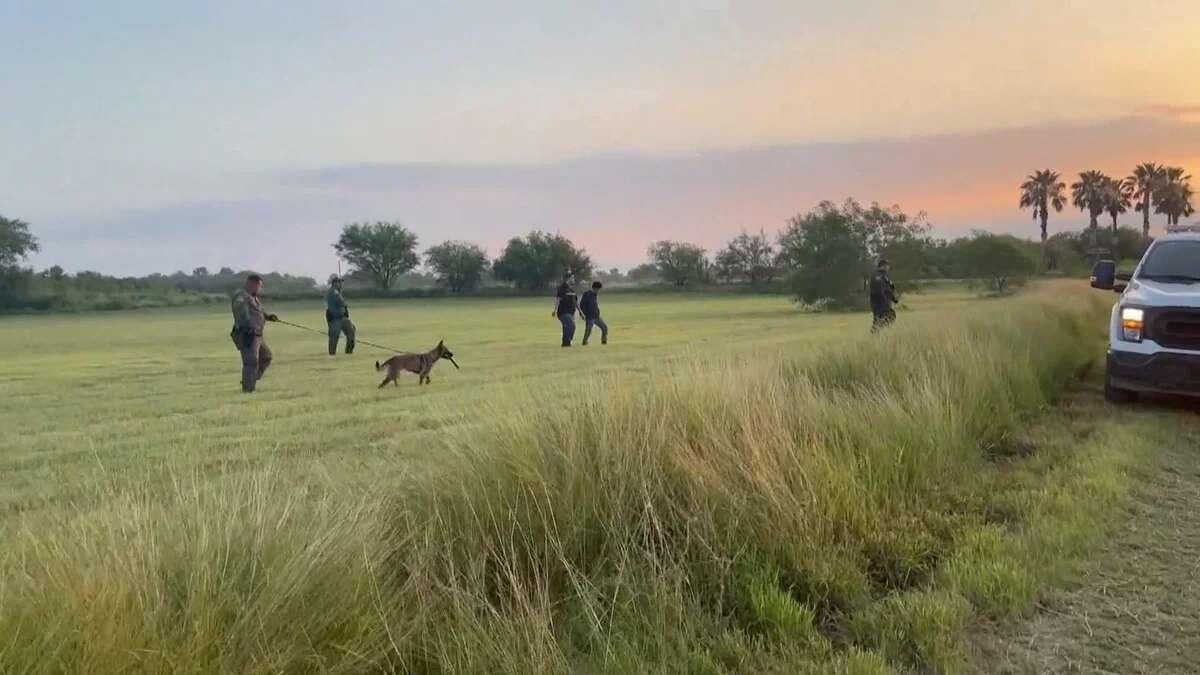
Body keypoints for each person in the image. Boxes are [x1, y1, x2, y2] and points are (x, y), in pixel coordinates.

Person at [230, 274, 279, 392]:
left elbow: (259, 311)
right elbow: (239, 312)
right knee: (251, 362)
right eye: (258, 286)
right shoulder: (241, 296)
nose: (259, 289)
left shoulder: (253, 297)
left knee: (266, 357)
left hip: (258, 335)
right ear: (251, 284)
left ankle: (251, 378)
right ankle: (248, 389)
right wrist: (247, 325)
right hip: (247, 334)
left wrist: (268, 316)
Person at [325, 274, 356, 355]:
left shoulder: (337, 291)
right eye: (339, 282)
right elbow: (341, 302)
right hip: (335, 318)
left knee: (351, 331)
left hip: (342, 318)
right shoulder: (333, 291)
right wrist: (344, 302)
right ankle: (332, 355)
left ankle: (348, 352)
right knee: (334, 338)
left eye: (341, 282)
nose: (341, 284)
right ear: (334, 283)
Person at [869, 258, 897, 332]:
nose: (889, 267)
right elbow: (878, 290)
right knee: (887, 316)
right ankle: (875, 330)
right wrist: (884, 300)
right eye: (887, 266)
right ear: (883, 266)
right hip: (879, 302)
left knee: (890, 316)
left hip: (885, 301)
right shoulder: (876, 276)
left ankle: (877, 331)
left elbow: (889, 289)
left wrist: (894, 299)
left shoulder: (885, 276)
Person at [552, 272, 579, 347]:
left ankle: (565, 343)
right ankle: (568, 340)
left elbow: (575, 302)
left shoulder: (572, 290)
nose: (573, 280)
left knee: (566, 327)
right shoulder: (562, 288)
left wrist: (581, 312)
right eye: (572, 278)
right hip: (563, 312)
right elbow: (558, 299)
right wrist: (554, 310)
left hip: (571, 312)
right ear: (568, 279)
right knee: (572, 325)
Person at [579, 280, 608, 345]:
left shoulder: (595, 294)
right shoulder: (586, 294)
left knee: (604, 327)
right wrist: (582, 314)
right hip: (589, 316)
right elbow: (582, 305)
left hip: (596, 316)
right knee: (588, 330)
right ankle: (584, 342)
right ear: (595, 288)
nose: (598, 291)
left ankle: (604, 341)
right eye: (598, 289)